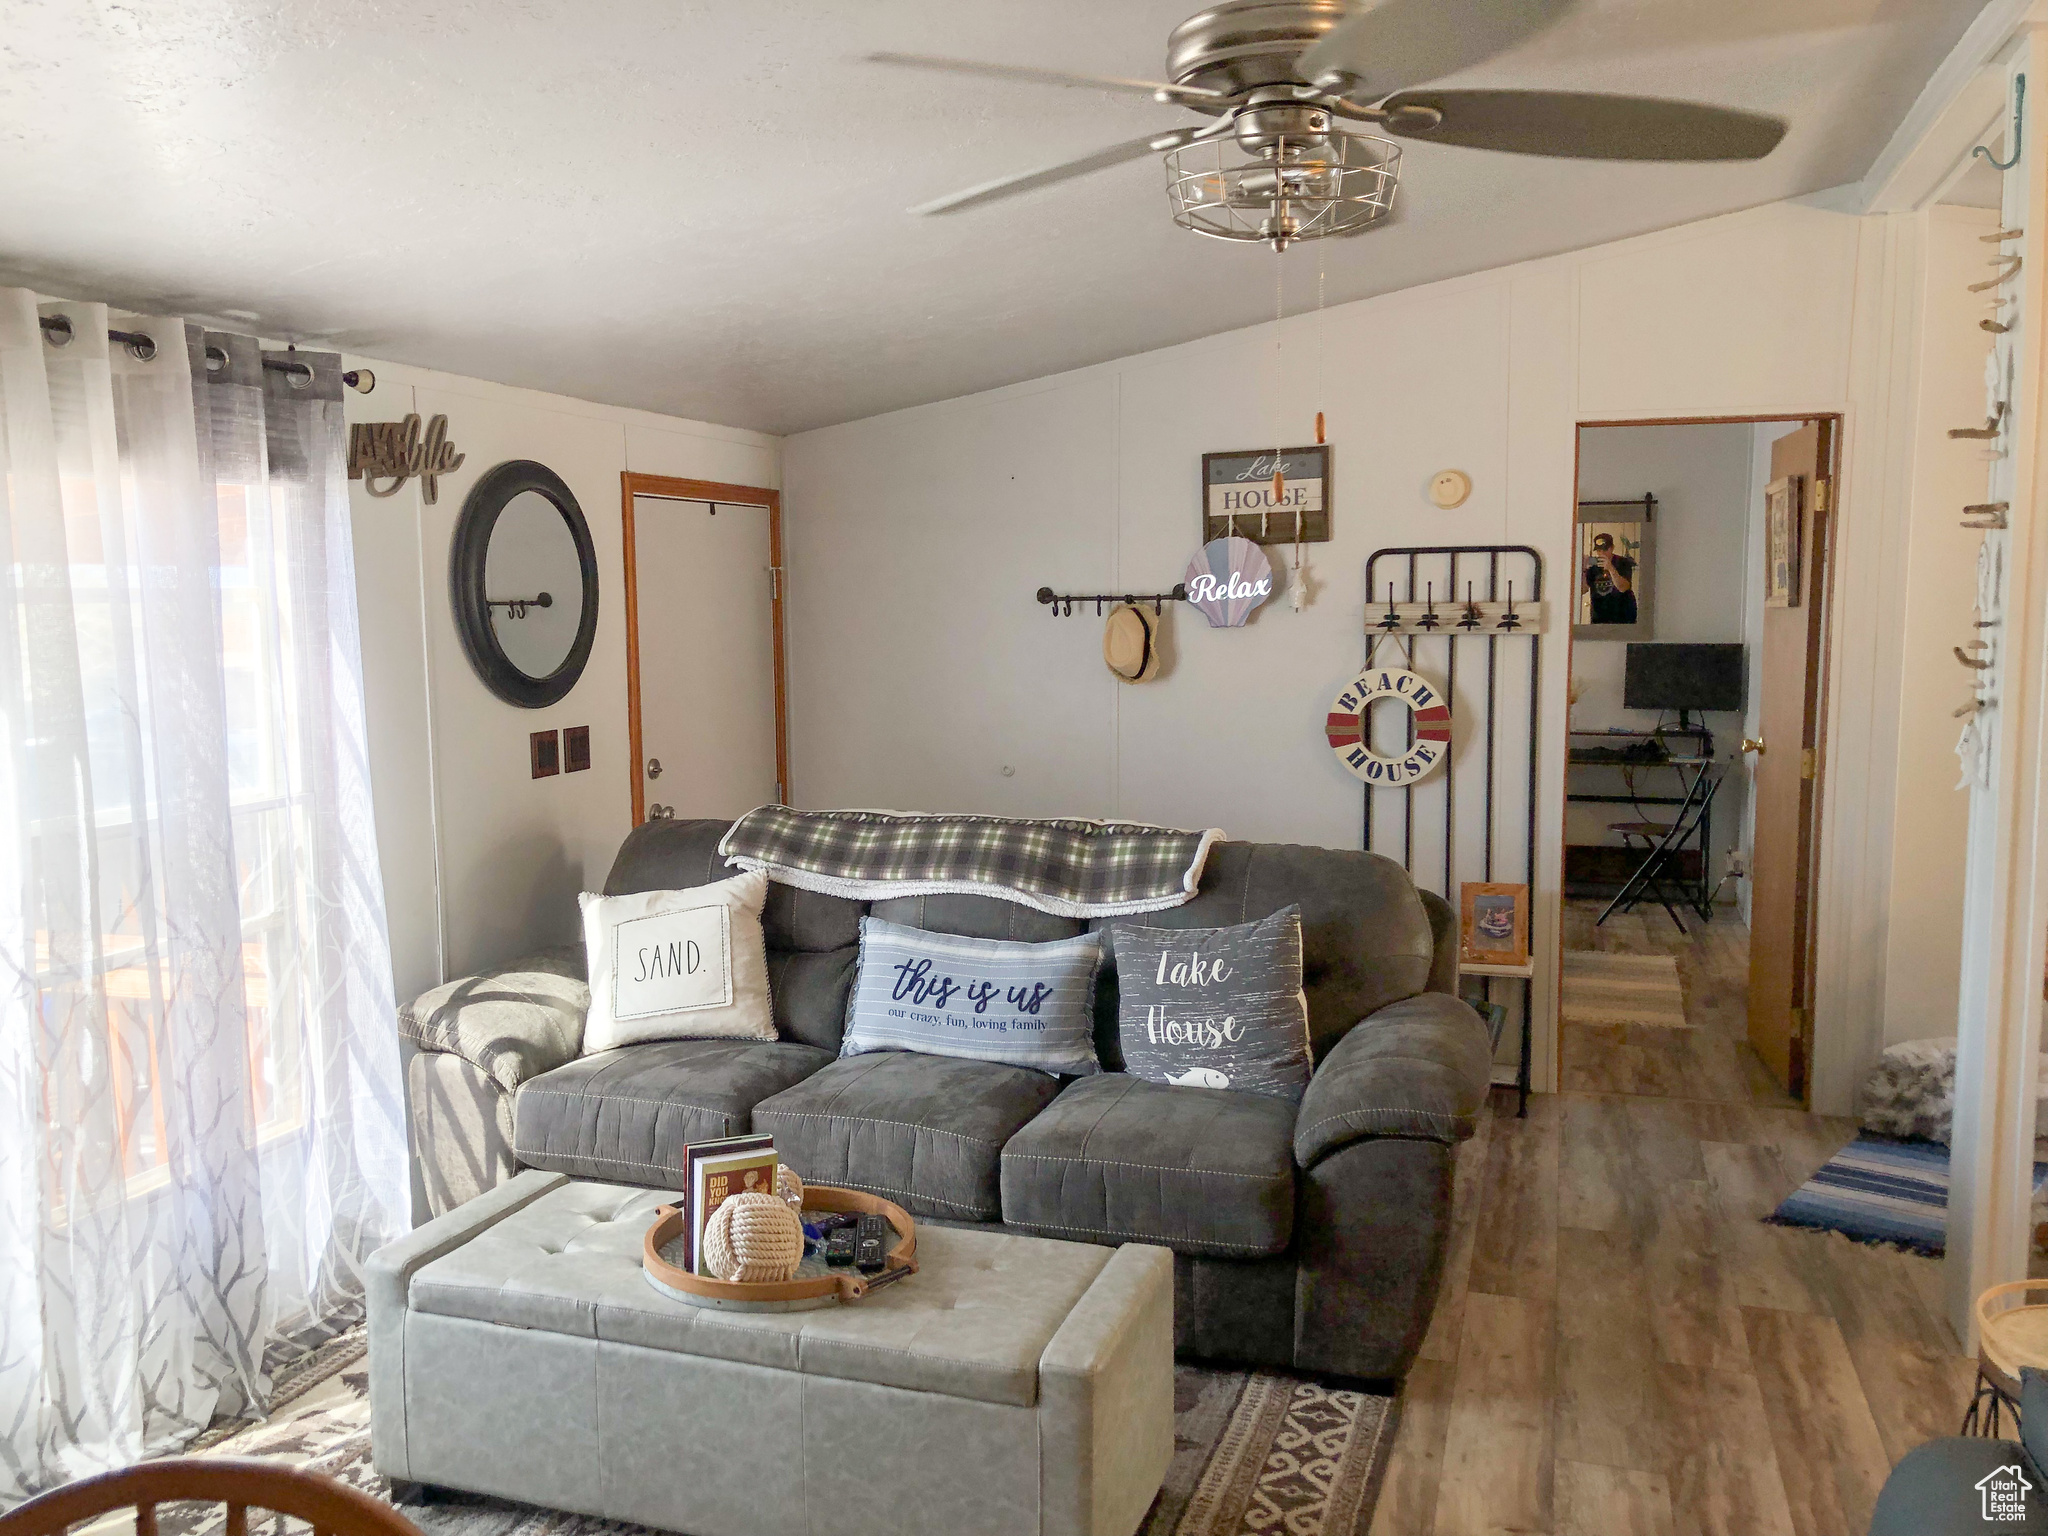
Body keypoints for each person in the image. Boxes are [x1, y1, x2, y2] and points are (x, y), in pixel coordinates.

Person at [1583, 531, 1638, 624]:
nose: (1602, 553)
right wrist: (1583, 570)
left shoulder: (1623, 562)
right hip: (1599, 619)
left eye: (1605, 550)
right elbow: (1583, 589)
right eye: (1599, 550)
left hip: (1624, 618)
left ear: (1612, 548)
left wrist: (1611, 568)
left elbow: (1623, 588)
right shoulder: (1593, 567)